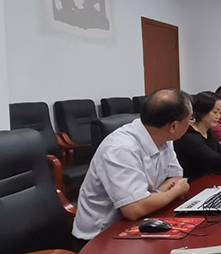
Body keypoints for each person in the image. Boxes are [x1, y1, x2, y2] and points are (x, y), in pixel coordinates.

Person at [72, 89, 191, 241]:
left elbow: (175, 177)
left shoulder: (164, 136)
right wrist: (175, 191)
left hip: (143, 221)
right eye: (190, 119)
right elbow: (134, 209)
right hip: (101, 236)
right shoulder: (121, 148)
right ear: (174, 126)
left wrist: (153, 197)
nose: (191, 124)